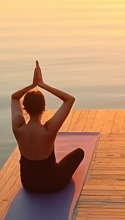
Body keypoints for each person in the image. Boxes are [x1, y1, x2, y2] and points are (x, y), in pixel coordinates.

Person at [11, 61, 83, 193]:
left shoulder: (18, 128)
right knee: (79, 153)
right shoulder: (49, 130)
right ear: (43, 108)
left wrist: (32, 85)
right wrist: (42, 85)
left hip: (28, 184)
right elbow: (69, 99)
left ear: (24, 109)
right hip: (53, 183)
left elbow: (14, 97)